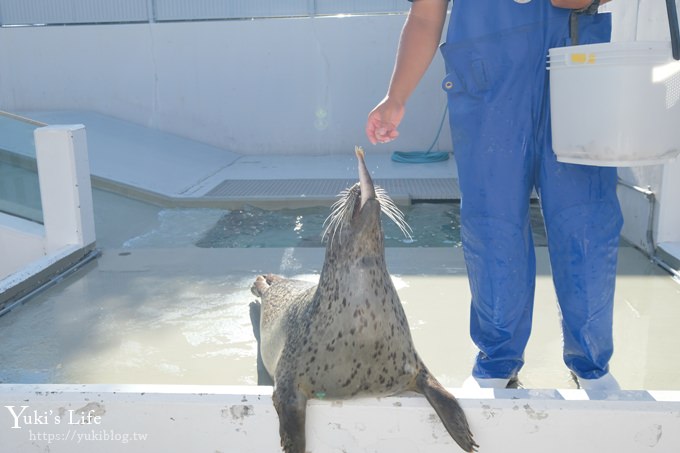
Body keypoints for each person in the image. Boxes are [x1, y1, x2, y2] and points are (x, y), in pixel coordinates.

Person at [366, 0, 622, 390]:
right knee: (492, 223)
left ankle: (592, 365)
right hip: (488, 84)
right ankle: (498, 361)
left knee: (587, 220)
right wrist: (396, 96)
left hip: (577, 70)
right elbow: (424, 15)